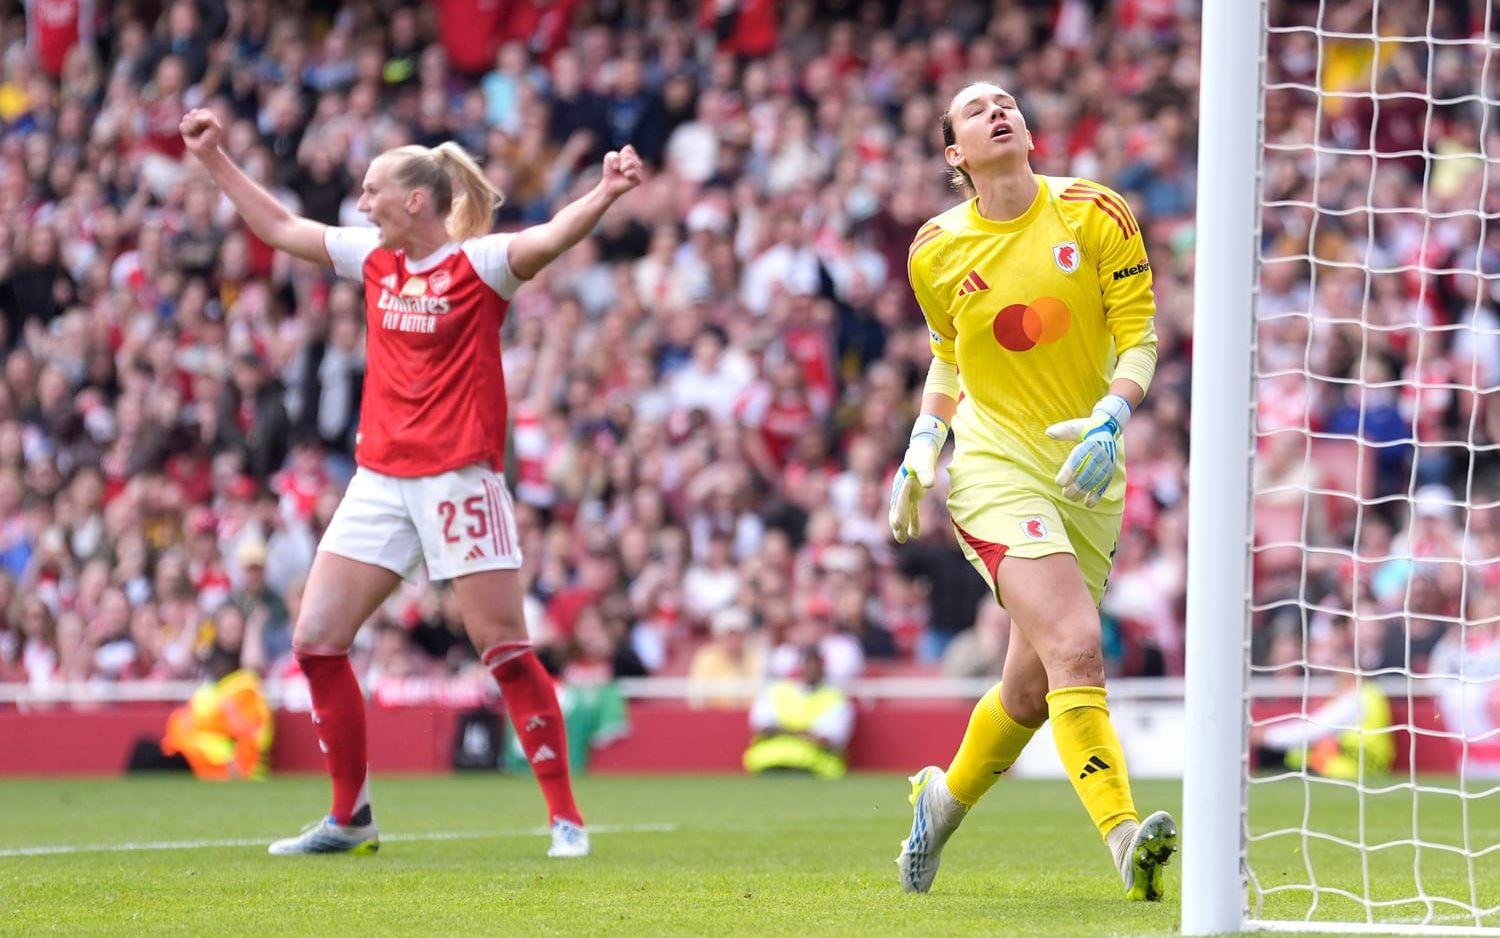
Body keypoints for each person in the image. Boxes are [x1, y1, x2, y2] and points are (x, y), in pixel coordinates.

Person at [179, 107, 643, 857]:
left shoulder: (480, 265)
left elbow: (552, 236)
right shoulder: (372, 257)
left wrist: (606, 193)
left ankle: (566, 818)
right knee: (316, 642)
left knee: (504, 648)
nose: (363, 204)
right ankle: (350, 818)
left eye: (373, 191)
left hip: (459, 482)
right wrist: (214, 159)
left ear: (416, 201)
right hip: (380, 480)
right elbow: (282, 228)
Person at [889, 82, 1176, 900]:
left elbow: (1140, 338)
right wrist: (924, 441)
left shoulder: (1096, 212)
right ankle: (1126, 843)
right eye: (976, 109)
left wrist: (1112, 416)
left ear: (1027, 131)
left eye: (1006, 102)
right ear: (957, 153)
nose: (998, 111)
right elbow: (949, 353)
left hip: (1087, 469)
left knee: (1028, 689)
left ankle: (938, 806)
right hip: (994, 468)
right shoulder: (935, 248)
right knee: (1078, 645)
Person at [743, 646, 853, 780]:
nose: (812, 669)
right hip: (770, 763)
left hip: (814, 768)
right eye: (808, 663)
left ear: (823, 667)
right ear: (799, 666)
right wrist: (806, 732)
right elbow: (762, 728)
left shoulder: (835, 699)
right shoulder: (776, 691)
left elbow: (825, 739)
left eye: (815, 664)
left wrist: (782, 729)